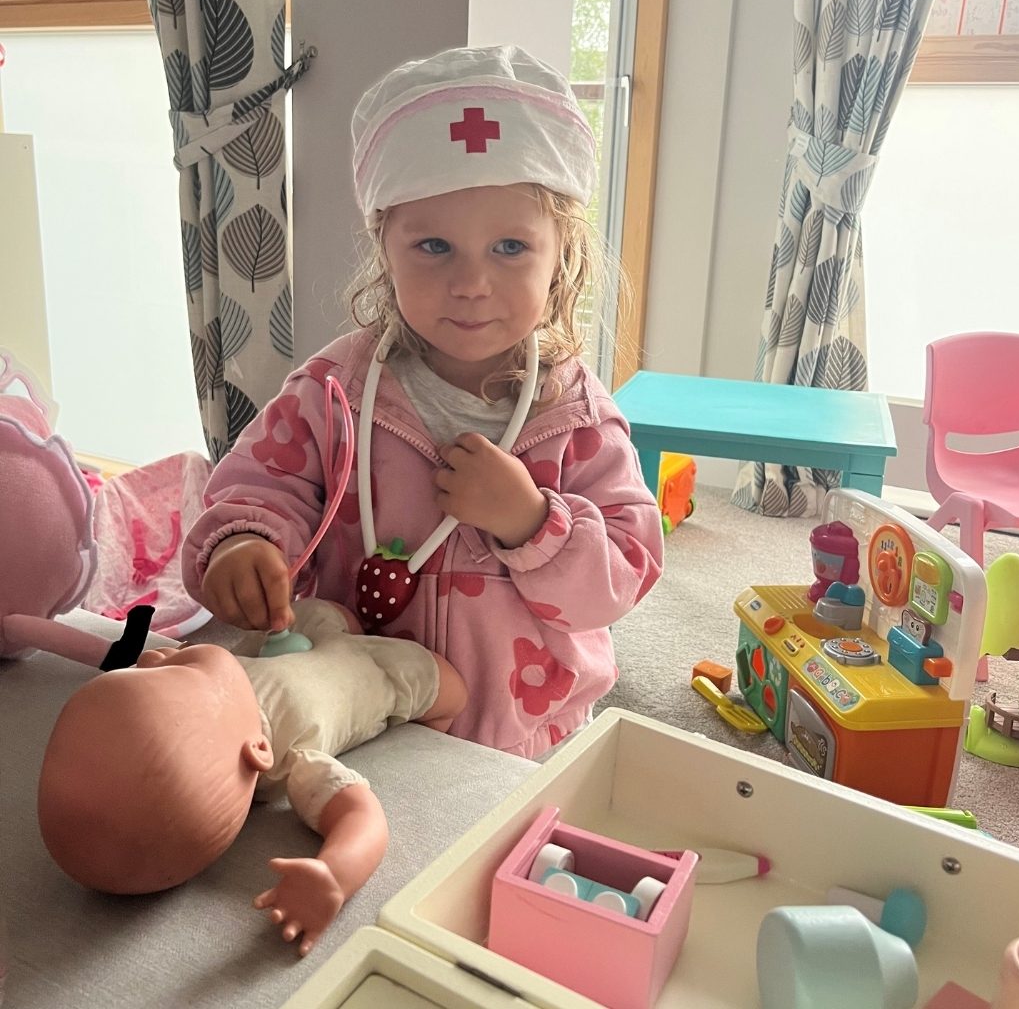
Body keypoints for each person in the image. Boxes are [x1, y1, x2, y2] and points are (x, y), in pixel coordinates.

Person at [181, 44, 664, 759]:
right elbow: (260, 486)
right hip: (354, 711)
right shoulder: (332, 390)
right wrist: (244, 544)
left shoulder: (578, 419)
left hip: (519, 736)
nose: (471, 282)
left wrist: (532, 523)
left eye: (509, 248)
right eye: (433, 246)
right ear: (384, 243)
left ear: (562, 251)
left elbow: (623, 574)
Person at [37, 598, 467, 957]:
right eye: (178, 668)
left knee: (318, 610)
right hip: (372, 668)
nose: (151, 656)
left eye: (144, 672)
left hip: (280, 643)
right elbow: (361, 816)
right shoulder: (294, 764)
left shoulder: (212, 717)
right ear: (258, 751)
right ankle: (421, 722)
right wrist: (335, 874)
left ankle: (340, 624)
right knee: (451, 690)